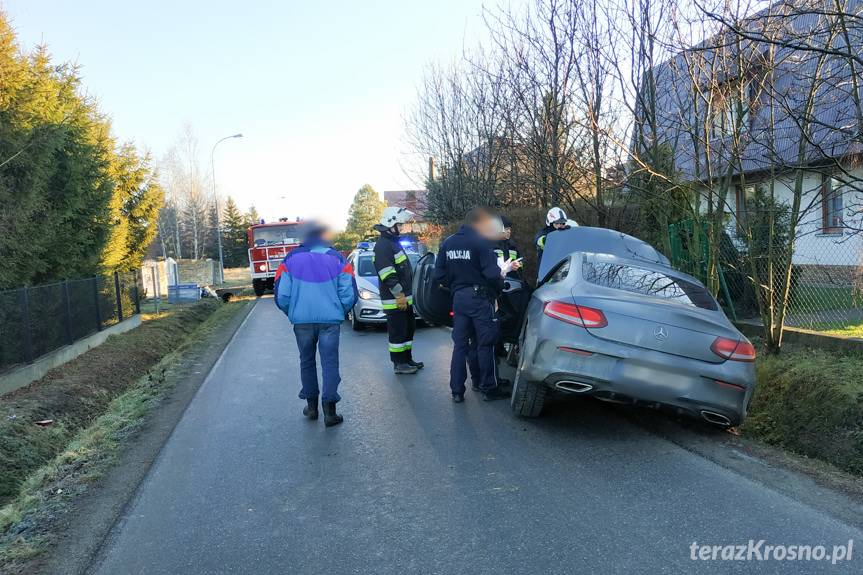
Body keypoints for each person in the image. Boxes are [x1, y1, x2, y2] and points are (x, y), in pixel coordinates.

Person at [274, 224, 357, 427]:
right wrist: (340, 311)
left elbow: (282, 295)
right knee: (329, 362)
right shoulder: (337, 258)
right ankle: (330, 412)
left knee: (307, 361)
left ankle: (311, 408)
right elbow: (349, 293)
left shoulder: (290, 259)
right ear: (323, 236)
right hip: (330, 321)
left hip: (302, 321)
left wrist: (292, 311)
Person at [434, 207, 510, 403]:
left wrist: (456, 285)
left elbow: (439, 275)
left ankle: (457, 391)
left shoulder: (448, 242)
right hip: (479, 299)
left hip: (459, 299)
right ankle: (488, 387)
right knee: (485, 343)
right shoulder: (481, 243)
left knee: (460, 346)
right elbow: (492, 274)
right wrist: (500, 284)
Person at [373, 206, 423, 374]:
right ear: (390, 224)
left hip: (403, 299)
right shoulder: (383, 246)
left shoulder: (392, 243)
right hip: (395, 300)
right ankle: (399, 364)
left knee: (408, 330)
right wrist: (399, 294)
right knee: (398, 333)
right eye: (399, 225)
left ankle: (407, 359)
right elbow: (387, 274)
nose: (401, 228)